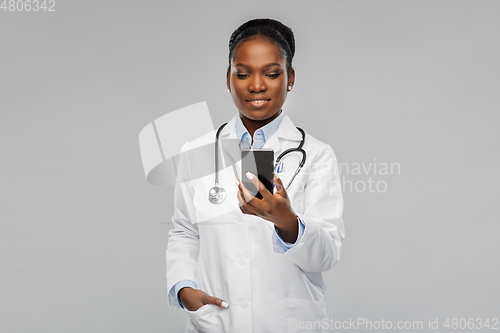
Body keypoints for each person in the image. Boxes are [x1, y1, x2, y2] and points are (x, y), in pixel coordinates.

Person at [166, 18, 345, 333]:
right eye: (243, 74)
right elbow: (184, 232)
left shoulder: (316, 155)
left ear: (289, 79)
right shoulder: (197, 151)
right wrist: (184, 289)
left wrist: (287, 221)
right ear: (228, 79)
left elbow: (326, 255)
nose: (257, 85)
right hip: (218, 321)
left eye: (272, 74)